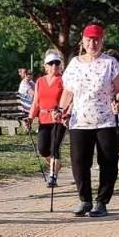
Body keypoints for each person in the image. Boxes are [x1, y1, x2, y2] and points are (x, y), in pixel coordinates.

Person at [57, 23, 119, 217]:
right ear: (83, 41)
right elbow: (68, 92)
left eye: (96, 40)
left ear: (102, 41)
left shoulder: (110, 63)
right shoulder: (74, 64)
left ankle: (102, 202)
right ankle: (85, 200)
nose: (92, 44)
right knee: (79, 162)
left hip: (106, 119)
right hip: (80, 120)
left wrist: (117, 100)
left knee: (108, 161)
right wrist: (61, 110)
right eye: (89, 40)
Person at [28, 49, 66, 187]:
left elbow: (68, 100)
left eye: (57, 63)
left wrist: (63, 112)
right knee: (43, 149)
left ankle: (52, 176)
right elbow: (36, 102)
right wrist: (30, 118)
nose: (54, 65)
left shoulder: (64, 80)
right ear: (45, 66)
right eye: (51, 63)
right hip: (43, 119)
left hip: (58, 119)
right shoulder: (40, 81)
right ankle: (55, 165)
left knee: (55, 147)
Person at [16, 67, 36, 131]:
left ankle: (28, 126)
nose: (30, 75)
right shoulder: (24, 83)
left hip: (29, 105)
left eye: (31, 74)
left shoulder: (31, 82)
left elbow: (38, 90)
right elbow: (33, 94)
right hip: (25, 106)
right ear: (25, 75)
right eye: (28, 74)